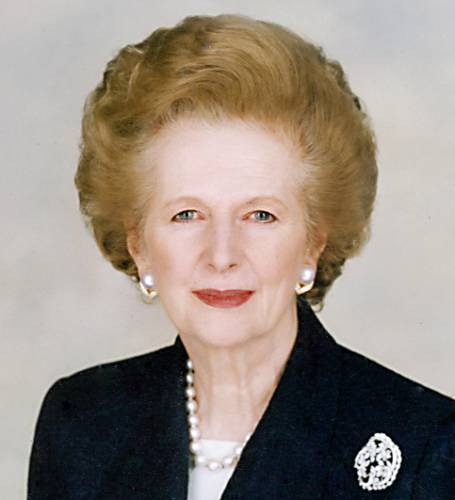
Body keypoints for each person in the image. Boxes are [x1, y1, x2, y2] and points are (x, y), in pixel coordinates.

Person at [27, 13, 455, 499]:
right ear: (139, 245)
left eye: (260, 215)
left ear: (313, 242)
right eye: (187, 214)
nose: (222, 254)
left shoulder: (426, 446)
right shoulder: (82, 423)